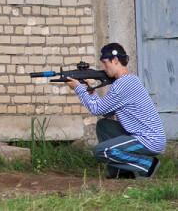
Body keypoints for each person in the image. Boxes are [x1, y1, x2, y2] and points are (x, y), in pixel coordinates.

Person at [66, 43, 166, 179]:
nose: (103, 68)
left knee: (101, 151)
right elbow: (106, 112)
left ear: (115, 60)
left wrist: (79, 89)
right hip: (142, 136)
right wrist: (90, 92)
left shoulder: (123, 84)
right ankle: (121, 173)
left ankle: (147, 165)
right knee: (104, 126)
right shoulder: (128, 81)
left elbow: (96, 109)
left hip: (148, 140)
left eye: (105, 63)